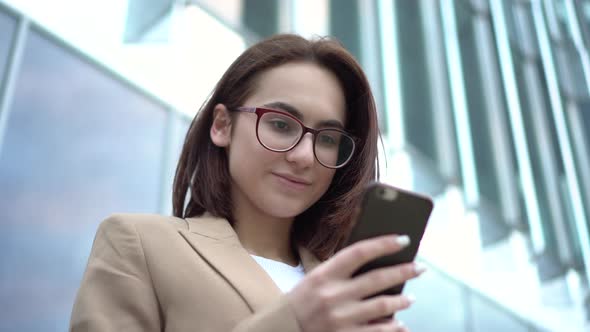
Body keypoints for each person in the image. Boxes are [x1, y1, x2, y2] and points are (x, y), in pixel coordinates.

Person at [70, 34, 425, 332]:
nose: (304, 155)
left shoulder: (345, 290)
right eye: (282, 124)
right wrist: (293, 321)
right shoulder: (140, 244)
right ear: (222, 125)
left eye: (327, 138)